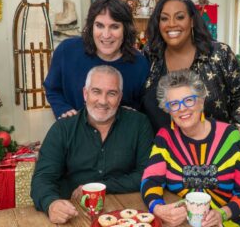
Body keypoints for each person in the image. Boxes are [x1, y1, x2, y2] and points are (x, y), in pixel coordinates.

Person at [32, 65, 154, 224]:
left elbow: (146, 174)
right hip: (74, 215)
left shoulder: (139, 124)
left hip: (126, 213)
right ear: (85, 93)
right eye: (96, 91)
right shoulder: (63, 129)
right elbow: (42, 178)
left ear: (120, 97)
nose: (103, 101)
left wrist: (99, 187)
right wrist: (51, 204)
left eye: (112, 93)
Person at [140, 69, 240, 227]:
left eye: (188, 100)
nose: (182, 108)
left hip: (230, 222)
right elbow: (151, 180)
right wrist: (158, 208)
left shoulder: (231, 137)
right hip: (185, 224)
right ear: (168, 109)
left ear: (201, 101)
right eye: (174, 104)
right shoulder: (165, 137)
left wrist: (222, 214)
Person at [141, 0, 240, 152]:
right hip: (164, 156)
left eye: (180, 17)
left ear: (192, 21)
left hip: (216, 154)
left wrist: (238, 128)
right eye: (164, 18)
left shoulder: (219, 54)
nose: (171, 24)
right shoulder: (150, 55)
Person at [44, 0, 149, 119]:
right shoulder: (66, 51)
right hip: (73, 132)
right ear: (91, 27)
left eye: (114, 26)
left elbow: (141, 105)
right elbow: (52, 88)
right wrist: (62, 109)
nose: (106, 35)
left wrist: (132, 112)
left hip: (118, 135)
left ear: (125, 30)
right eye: (99, 25)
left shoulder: (139, 64)